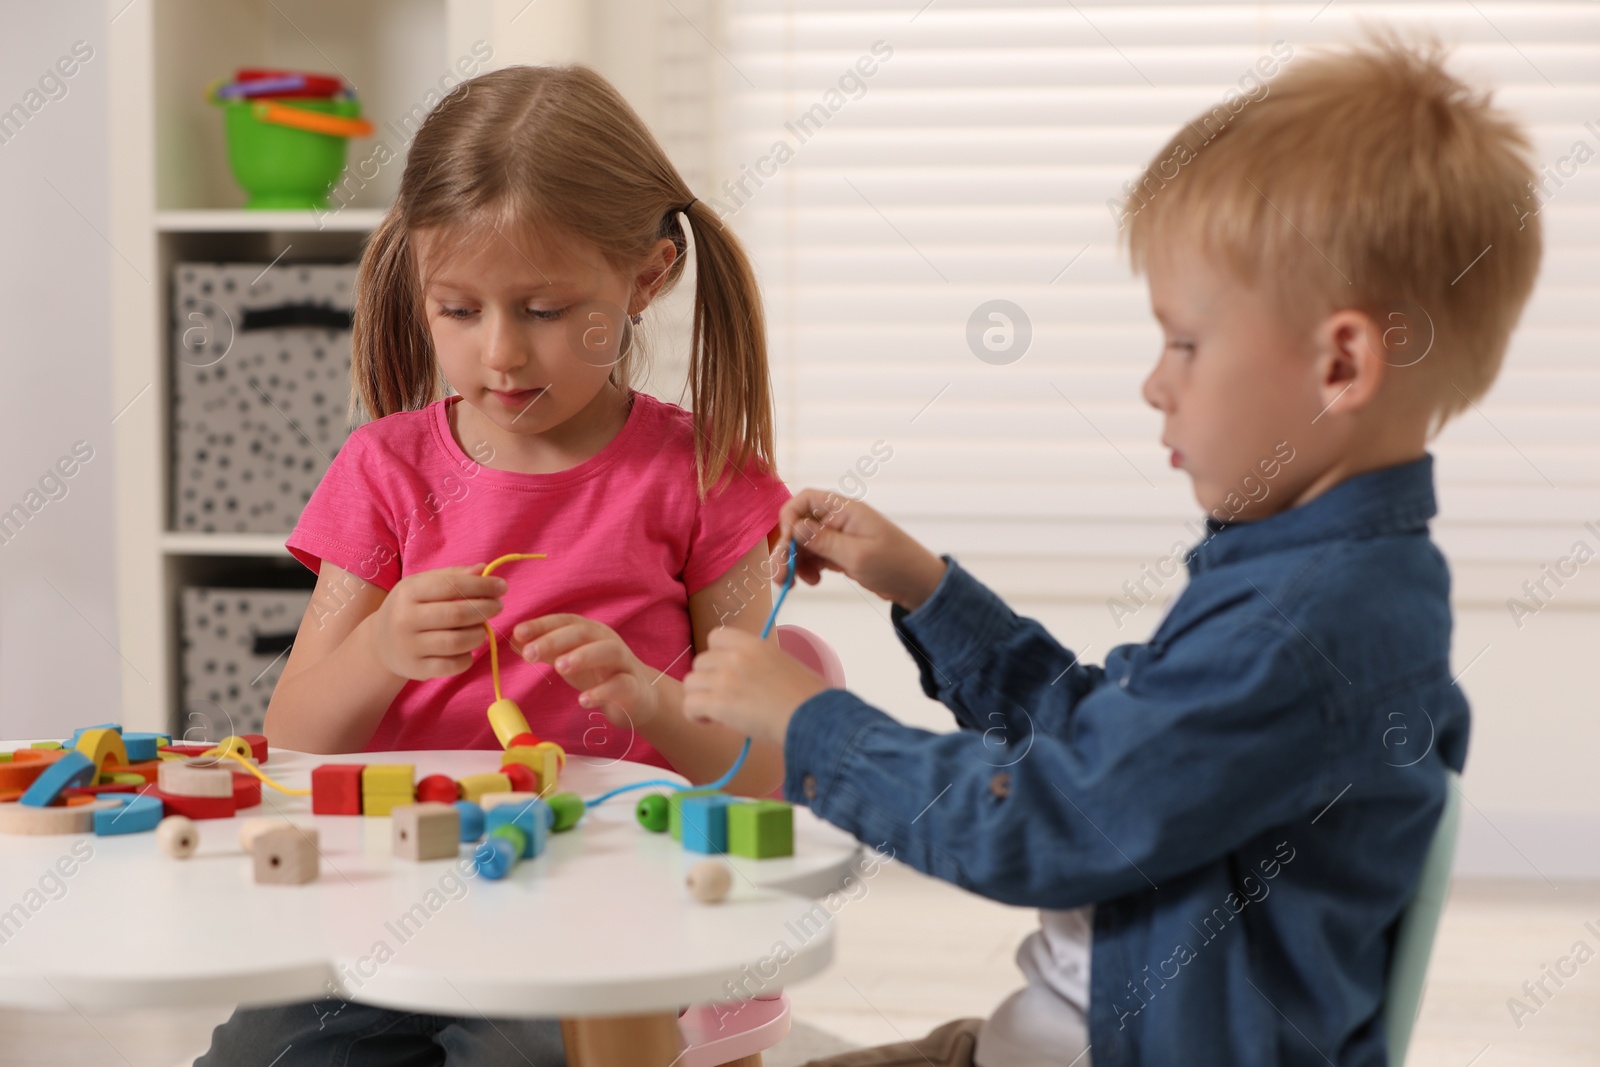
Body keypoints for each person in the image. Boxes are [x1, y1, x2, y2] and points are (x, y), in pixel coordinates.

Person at [682, 36, 1542, 1067]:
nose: (1153, 383)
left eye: (1183, 342)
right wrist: (927, 588)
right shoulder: (1299, 575)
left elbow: (1053, 822)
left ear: (1341, 360)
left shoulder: (1303, 627)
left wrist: (814, 727)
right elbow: (1107, 758)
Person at [199, 63, 790, 1066]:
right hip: (386, 893)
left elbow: (769, 774)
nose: (502, 353)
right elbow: (295, 735)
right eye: (460, 310)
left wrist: (649, 700)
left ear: (645, 278)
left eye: (546, 310)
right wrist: (383, 645)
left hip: (602, 903)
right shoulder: (384, 471)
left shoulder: (704, 476)